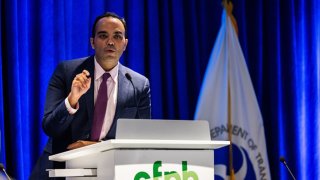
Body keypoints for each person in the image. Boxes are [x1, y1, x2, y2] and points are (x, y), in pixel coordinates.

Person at [30, 12, 151, 179]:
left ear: (125, 43)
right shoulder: (67, 72)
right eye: (103, 35)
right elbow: (50, 127)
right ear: (92, 42)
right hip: (59, 169)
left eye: (117, 36)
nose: (110, 42)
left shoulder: (138, 84)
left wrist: (95, 146)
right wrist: (72, 100)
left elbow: (141, 140)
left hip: (109, 170)